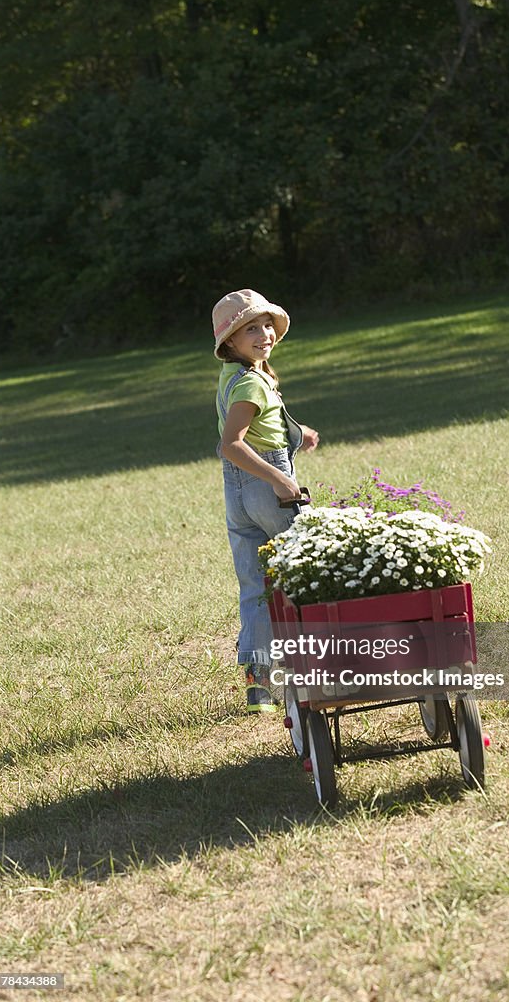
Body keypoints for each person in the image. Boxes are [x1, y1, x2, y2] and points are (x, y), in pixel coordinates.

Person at [212, 288, 319, 714]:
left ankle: (260, 687)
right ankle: (317, 666)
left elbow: (259, 423)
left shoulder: (238, 378)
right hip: (263, 484)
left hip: (236, 494)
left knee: (256, 586)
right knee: (304, 569)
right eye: (249, 329)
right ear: (230, 343)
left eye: (266, 325)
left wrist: (299, 432)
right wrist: (279, 479)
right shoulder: (253, 383)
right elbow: (232, 444)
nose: (263, 333)